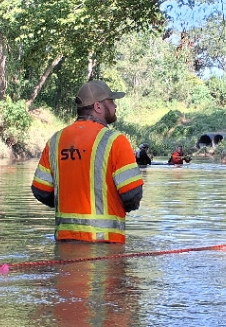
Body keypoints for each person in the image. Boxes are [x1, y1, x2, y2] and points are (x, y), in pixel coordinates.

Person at [31, 80, 145, 243]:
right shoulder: (116, 141)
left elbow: (41, 191)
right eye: (111, 101)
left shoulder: (55, 141)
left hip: (65, 244)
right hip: (105, 247)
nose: (115, 106)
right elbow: (133, 195)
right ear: (98, 107)